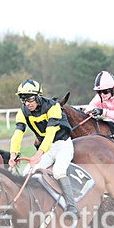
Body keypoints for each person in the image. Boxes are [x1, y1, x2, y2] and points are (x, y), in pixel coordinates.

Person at [9, 79, 78, 216]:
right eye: (23, 99)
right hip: (48, 148)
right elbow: (18, 133)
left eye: (30, 99)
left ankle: (72, 207)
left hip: (63, 144)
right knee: (27, 171)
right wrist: (13, 154)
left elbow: (50, 134)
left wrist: (37, 155)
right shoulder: (23, 111)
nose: (27, 103)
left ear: (38, 96)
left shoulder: (53, 107)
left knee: (58, 171)